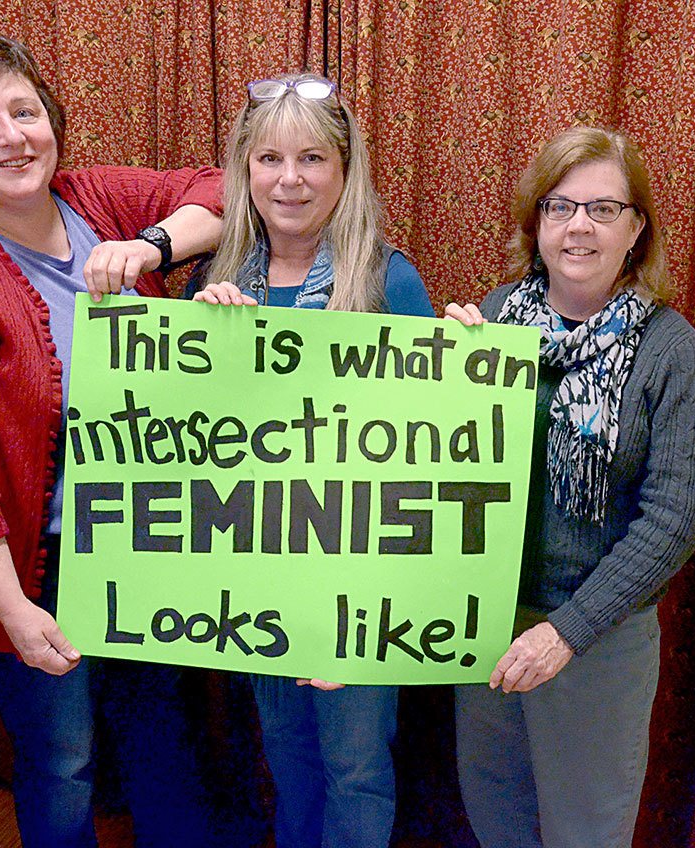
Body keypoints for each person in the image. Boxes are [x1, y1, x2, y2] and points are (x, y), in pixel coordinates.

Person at [0, 34, 221, 847]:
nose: (11, 136)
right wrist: (16, 613)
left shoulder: (95, 199)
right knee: (63, 760)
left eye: (25, 111)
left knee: (162, 738)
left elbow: (219, 186)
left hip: (147, 541)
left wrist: (152, 246)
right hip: (41, 563)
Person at [445, 127, 695, 847]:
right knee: (493, 812)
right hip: (486, 626)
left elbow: (671, 524)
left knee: (585, 831)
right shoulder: (495, 320)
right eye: (561, 207)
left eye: (602, 209)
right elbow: (441, 473)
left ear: (637, 229)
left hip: (598, 639)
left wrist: (566, 633)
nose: (579, 227)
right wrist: (440, 379)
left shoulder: (671, 350)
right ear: (537, 223)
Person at [194, 73, 434, 847]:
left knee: (356, 767)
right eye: (269, 159)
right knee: (286, 759)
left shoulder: (388, 282)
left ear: (343, 169)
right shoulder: (221, 283)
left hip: (359, 584)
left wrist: (364, 618)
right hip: (260, 575)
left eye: (311, 159)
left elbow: (429, 456)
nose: (289, 179)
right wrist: (205, 343)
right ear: (245, 171)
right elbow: (197, 444)